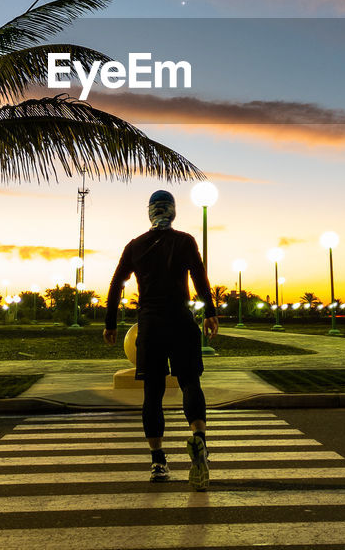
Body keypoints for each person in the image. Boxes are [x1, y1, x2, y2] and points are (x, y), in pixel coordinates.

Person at [104, 189, 219, 489]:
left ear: (150, 212)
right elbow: (199, 276)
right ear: (173, 212)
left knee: (152, 394)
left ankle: (158, 462)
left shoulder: (135, 246)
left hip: (150, 325)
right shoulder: (185, 241)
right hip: (181, 320)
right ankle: (199, 439)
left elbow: (117, 283)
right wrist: (210, 311)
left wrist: (110, 323)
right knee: (190, 382)